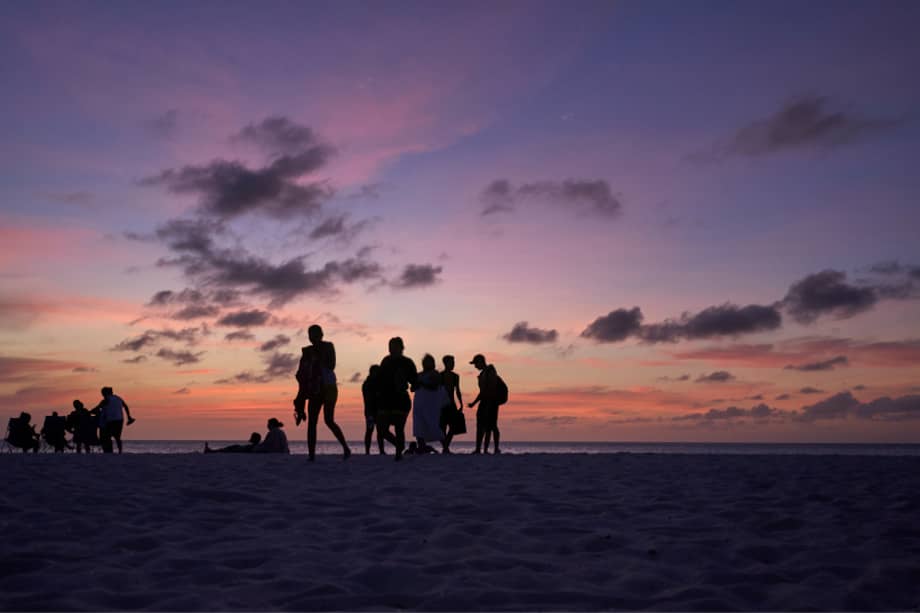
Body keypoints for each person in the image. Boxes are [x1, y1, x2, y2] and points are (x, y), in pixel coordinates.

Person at [294, 325, 351, 461]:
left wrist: (317, 359)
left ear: (321, 334)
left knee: (329, 420)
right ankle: (311, 455)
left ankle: (346, 448)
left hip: (329, 386)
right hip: (314, 388)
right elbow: (301, 374)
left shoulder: (328, 346)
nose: (312, 337)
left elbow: (332, 365)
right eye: (310, 334)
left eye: (315, 334)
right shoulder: (307, 352)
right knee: (312, 422)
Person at [377, 336, 418, 461]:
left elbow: (414, 380)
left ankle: (398, 454)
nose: (391, 349)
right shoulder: (385, 361)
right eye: (390, 347)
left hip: (401, 400)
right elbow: (380, 379)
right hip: (386, 399)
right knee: (382, 429)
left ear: (401, 348)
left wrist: (414, 386)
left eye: (394, 347)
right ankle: (399, 445)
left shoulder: (407, 362)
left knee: (399, 428)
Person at [412, 354, 446, 453]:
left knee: (433, 425)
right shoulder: (419, 375)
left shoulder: (435, 374)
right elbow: (413, 388)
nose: (426, 364)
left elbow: (435, 386)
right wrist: (416, 384)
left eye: (429, 362)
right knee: (418, 426)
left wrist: (422, 384)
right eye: (425, 362)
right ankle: (421, 447)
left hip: (430, 405)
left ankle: (445, 447)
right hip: (419, 403)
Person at [468, 354, 501, 454]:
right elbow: (482, 391)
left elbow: (487, 390)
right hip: (485, 401)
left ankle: (493, 449)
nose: (475, 366)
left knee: (491, 426)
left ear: (480, 362)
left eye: (475, 364)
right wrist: (474, 403)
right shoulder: (484, 373)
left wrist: (476, 402)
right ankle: (480, 449)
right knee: (482, 425)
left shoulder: (489, 371)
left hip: (491, 401)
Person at [93, 387, 135, 453]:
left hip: (110, 420)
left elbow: (97, 407)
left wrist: (88, 412)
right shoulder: (118, 398)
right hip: (120, 419)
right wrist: (129, 416)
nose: (102, 395)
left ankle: (109, 451)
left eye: (103, 393)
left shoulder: (106, 399)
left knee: (107, 436)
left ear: (106, 393)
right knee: (117, 437)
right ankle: (120, 451)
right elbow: (125, 406)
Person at [362, 365, 389, 455]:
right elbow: (369, 398)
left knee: (379, 431)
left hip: (377, 410)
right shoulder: (368, 384)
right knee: (370, 431)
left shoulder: (377, 383)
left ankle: (380, 450)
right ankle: (368, 451)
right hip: (370, 411)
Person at [440, 355, 464, 453]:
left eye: (453, 362)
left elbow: (457, 390)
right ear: (446, 363)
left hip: (452, 404)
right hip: (441, 405)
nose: (453, 364)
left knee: (453, 427)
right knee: (442, 427)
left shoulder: (455, 376)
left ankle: (445, 447)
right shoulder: (440, 376)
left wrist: (461, 403)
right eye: (451, 362)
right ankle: (445, 447)